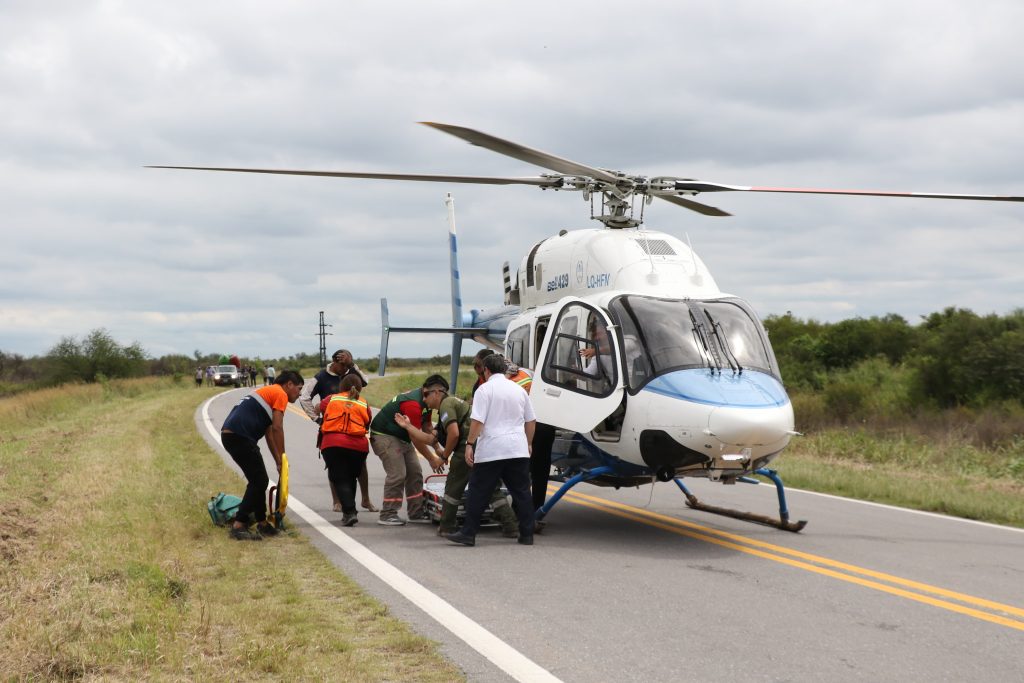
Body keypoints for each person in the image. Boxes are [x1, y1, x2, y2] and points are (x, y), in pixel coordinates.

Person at [446, 354, 536, 547]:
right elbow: (531, 420)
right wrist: (528, 443)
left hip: (492, 450)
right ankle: (527, 534)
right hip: (517, 448)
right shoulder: (518, 390)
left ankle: (468, 533)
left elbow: (478, 421)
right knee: (522, 492)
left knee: (478, 492)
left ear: (486, 370)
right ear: (504, 370)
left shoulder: (484, 390)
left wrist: (470, 444)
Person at [220, 369, 304, 540]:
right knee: (259, 481)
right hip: (240, 435)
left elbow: (269, 433)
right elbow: (277, 428)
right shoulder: (280, 393)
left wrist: (278, 461)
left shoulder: (268, 393)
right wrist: (283, 457)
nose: (299, 393)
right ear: (289, 384)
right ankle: (239, 525)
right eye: (299, 388)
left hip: (232, 435)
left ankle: (262, 523)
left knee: (258, 480)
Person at [433, 384, 520, 538]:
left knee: (453, 488)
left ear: (437, 393)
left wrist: (443, 457)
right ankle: (511, 525)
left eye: (426, 395)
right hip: (484, 445)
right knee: (491, 486)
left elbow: (453, 434)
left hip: (466, 449)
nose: (425, 399)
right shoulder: (459, 402)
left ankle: (447, 526)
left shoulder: (446, 404)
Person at [299, 349, 377, 513]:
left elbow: (365, 382)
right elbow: (304, 397)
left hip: (353, 429)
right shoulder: (320, 377)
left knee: (361, 465)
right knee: (333, 466)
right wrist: (316, 419)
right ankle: (337, 502)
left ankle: (365, 499)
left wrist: (352, 365)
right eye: (342, 365)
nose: (344, 369)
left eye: (347, 365)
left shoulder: (351, 373)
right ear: (334, 362)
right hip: (332, 428)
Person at [369, 375, 447, 525]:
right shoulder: (413, 404)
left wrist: (437, 448)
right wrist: (432, 459)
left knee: (415, 472)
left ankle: (416, 513)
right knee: (398, 474)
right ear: (435, 392)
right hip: (385, 436)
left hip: (403, 436)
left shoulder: (426, 399)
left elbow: (427, 427)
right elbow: (416, 438)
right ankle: (388, 514)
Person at [318, 374, 372, 527]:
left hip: (333, 444)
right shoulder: (363, 403)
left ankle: (349, 512)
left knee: (339, 478)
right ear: (359, 388)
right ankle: (349, 511)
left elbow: (319, 409)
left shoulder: (331, 399)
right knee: (350, 477)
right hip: (358, 446)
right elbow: (367, 422)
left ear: (341, 386)